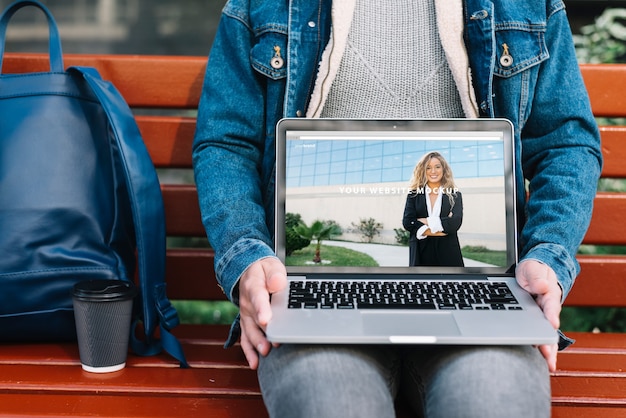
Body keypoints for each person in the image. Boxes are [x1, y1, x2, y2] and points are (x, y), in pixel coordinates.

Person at [192, 0, 602, 416]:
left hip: (473, 290)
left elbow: (565, 144)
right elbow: (227, 145)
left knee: (492, 403)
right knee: (331, 406)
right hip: (312, 296)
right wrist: (248, 255)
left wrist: (547, 254)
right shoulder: (261, 6)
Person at [403, 151, 464, 267]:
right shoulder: (414, 195)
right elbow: (408, 222)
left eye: (437, 167)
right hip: (420, 253)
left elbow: (454, 223)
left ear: (444, 169)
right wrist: (441, 230)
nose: (433, 171)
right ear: (423, 171)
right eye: (428, 168)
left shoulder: (455, 195)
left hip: (448, 254)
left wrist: (423, 221)